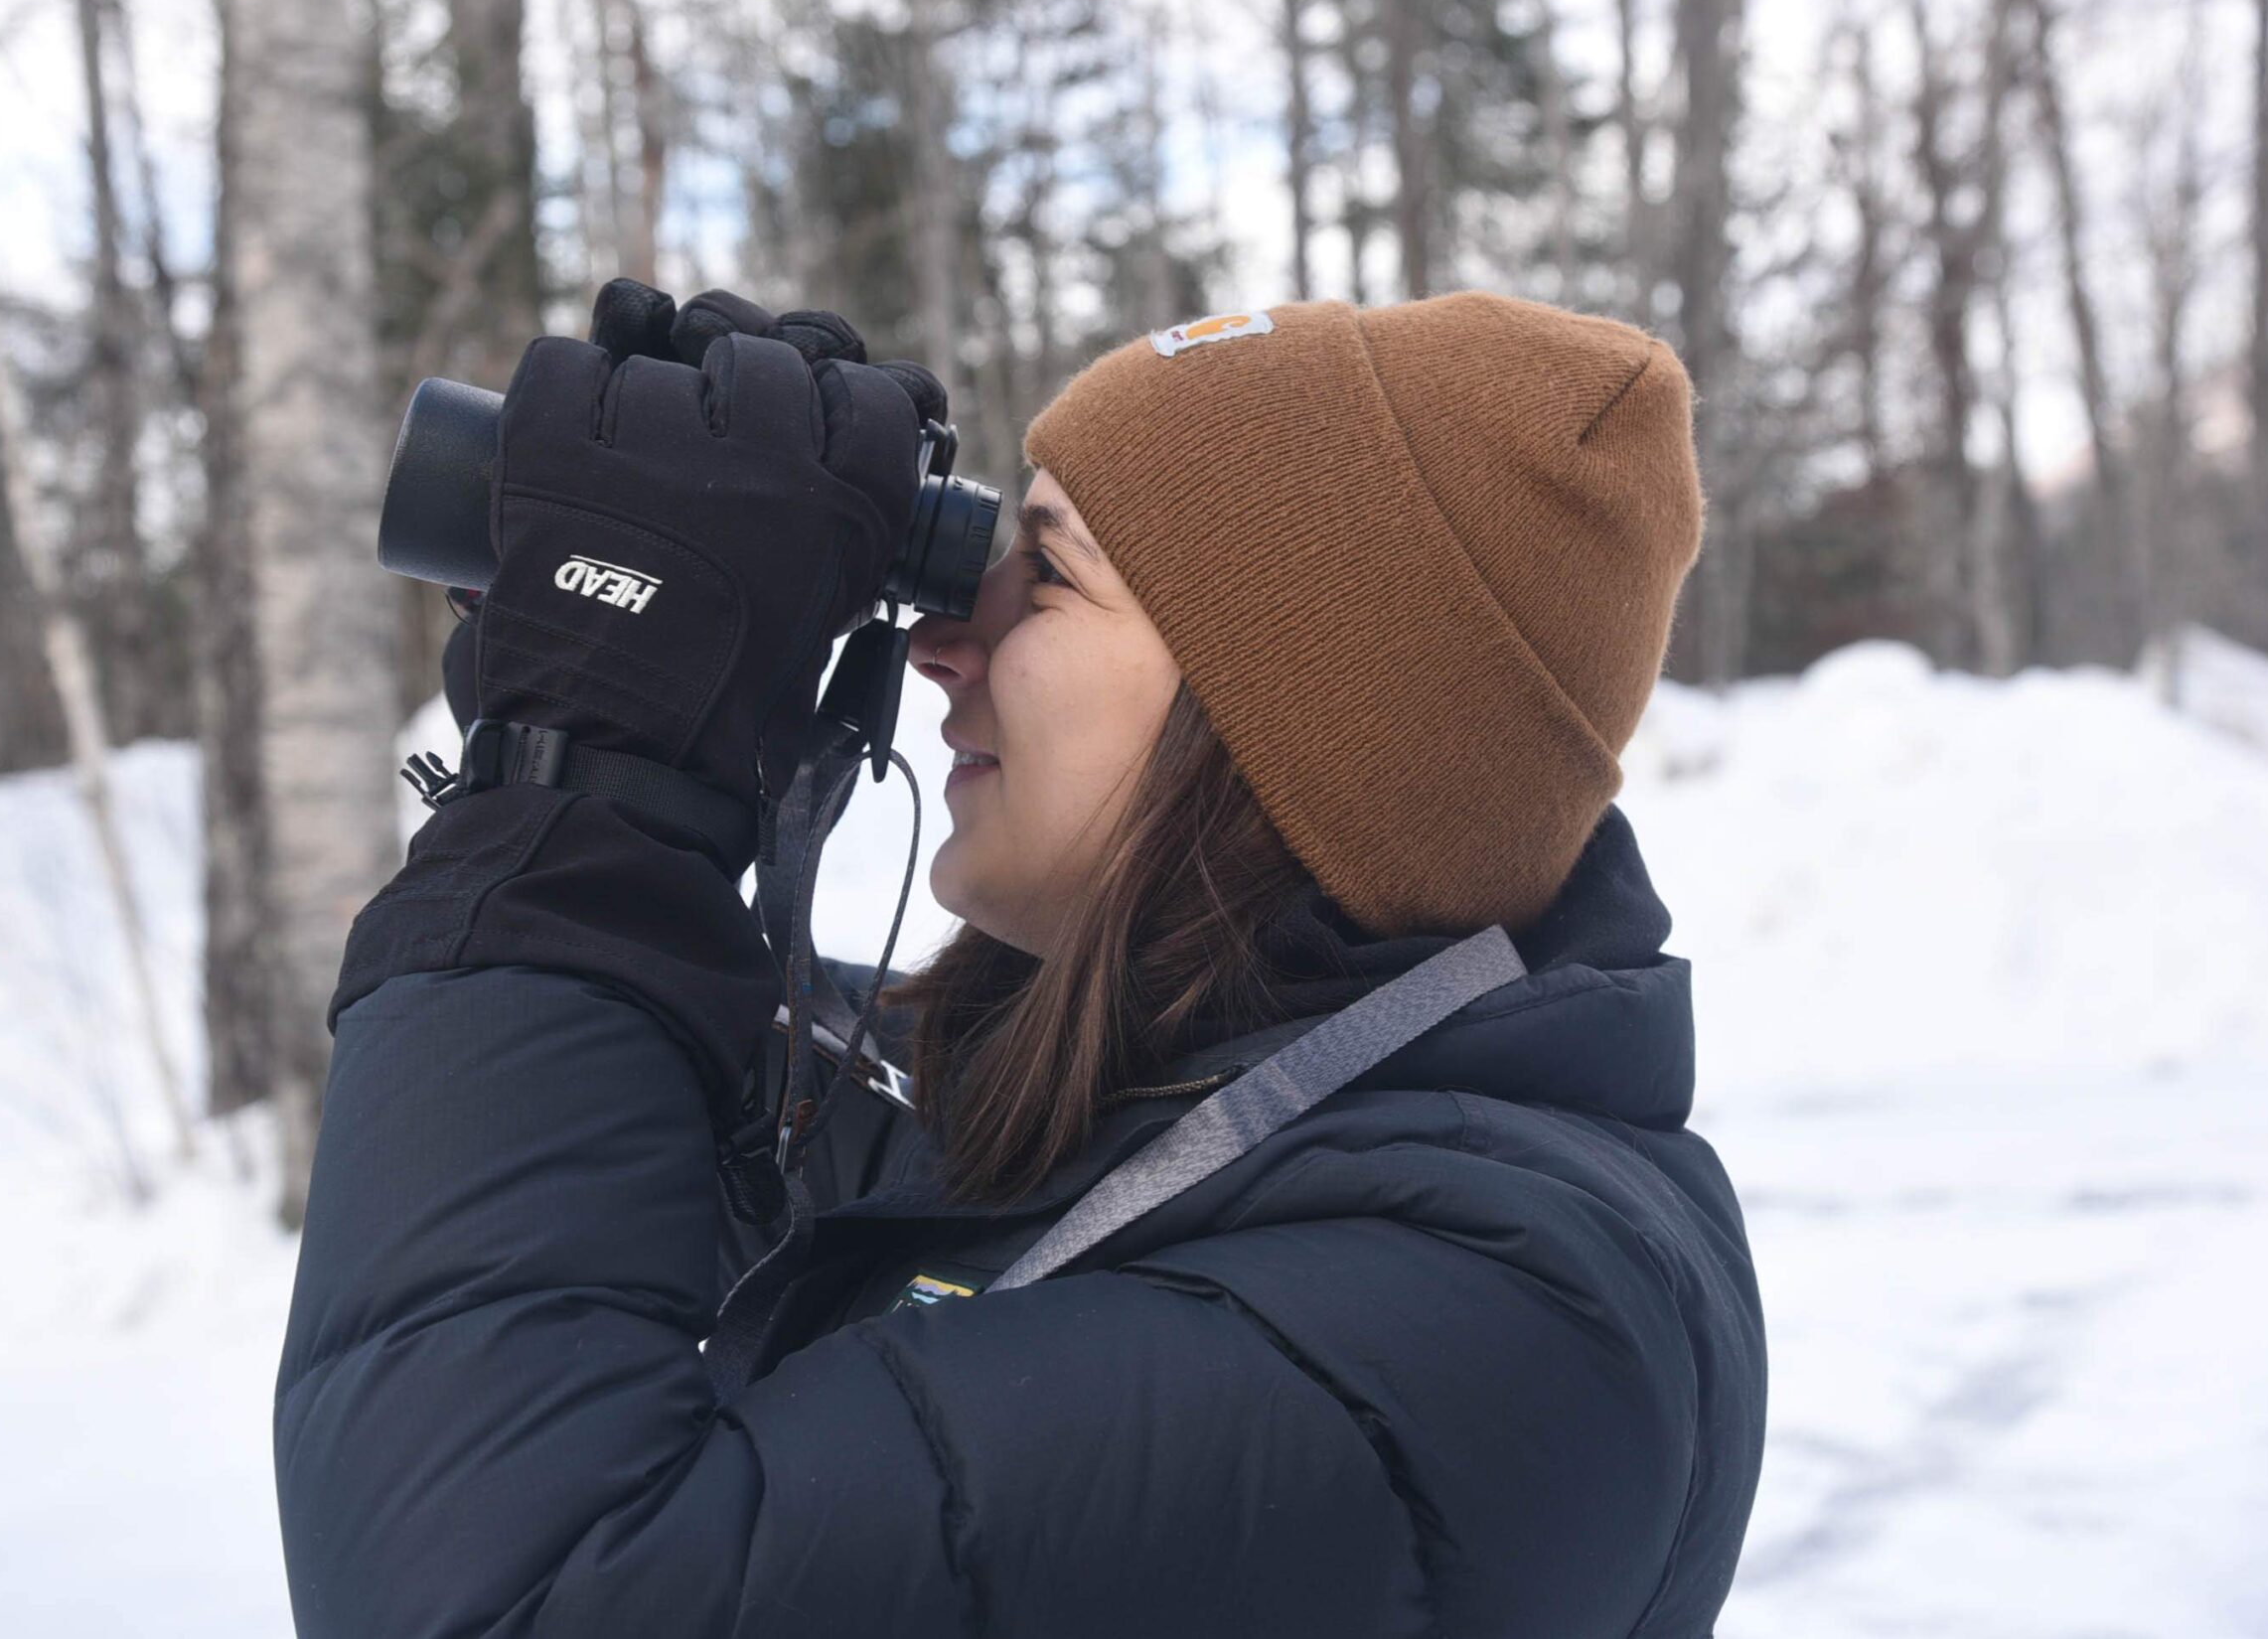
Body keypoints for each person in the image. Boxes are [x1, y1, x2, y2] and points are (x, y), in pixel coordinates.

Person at [274, 280, 1767, 1637]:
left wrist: (586, 801)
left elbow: (511, 1594)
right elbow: (664, 1193)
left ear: (1290, 735)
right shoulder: (1128, 1114)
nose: (941, 639)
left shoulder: (1465, 1338)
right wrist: (640, 683)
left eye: (1043, 576)